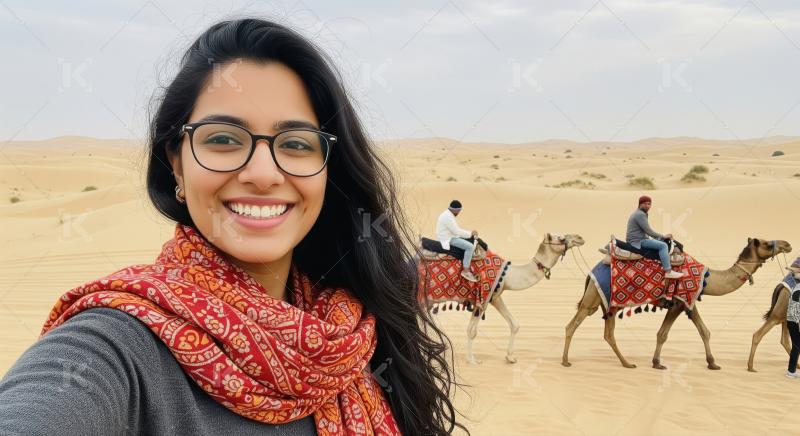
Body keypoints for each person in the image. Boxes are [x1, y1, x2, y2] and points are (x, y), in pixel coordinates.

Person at [0, 19, 466, 436]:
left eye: (296, 143)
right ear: (177, 166)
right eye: (223, 139)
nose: (263, 173)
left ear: (328, 171)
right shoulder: (115, 349)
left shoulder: (351, 334)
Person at [626, 195, 685, 279]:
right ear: (640, 204)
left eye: (649, 204)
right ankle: (668, 271)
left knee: (659, 241)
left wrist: (658, 238)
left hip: (639, 239)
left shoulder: (639, 213)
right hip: (638, 241)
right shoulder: (640, 214)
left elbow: (644, 231)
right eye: (645, 204)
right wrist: (663, 236)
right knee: (663, 245)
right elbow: (649, 231)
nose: (647, 206)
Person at [436, 200, 479, 282]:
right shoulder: (448, 217)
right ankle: (466, 271)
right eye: (459, 211)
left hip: (449, 236)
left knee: (467, 240)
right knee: (470, 247)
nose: (458, 213)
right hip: (447, 239)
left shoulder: (448, 214)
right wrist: (471, 233)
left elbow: (456, 231)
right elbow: (457, 231)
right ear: (456, 210)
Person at [787, 259, 800, 379]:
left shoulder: (797, 287)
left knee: (797, 345)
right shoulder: (798, 290)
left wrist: (790, 268)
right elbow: (795, 309)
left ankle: (791, 370)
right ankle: (791, 372)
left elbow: (797, 271)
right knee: (797, 345)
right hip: (793, 321)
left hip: (792, 320)